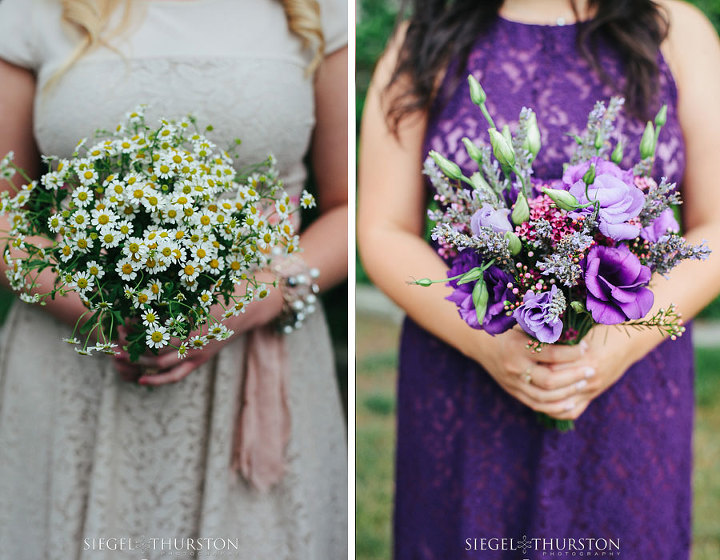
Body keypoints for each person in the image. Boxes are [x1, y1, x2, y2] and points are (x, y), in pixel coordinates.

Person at [358, 0, 720, 558]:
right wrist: (488, 342)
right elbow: (382, 227)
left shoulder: (677, 31)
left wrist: (613, 343)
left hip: (632, 388)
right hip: (466, 378)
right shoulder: (426, 34)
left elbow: (716, 227)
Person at [0, 0, 347, 558]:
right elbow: (4, 207)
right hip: (72, 370)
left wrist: (254, 297)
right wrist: (98, 305)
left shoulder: (317, 11)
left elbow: (350, 205)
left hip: (253, 364)